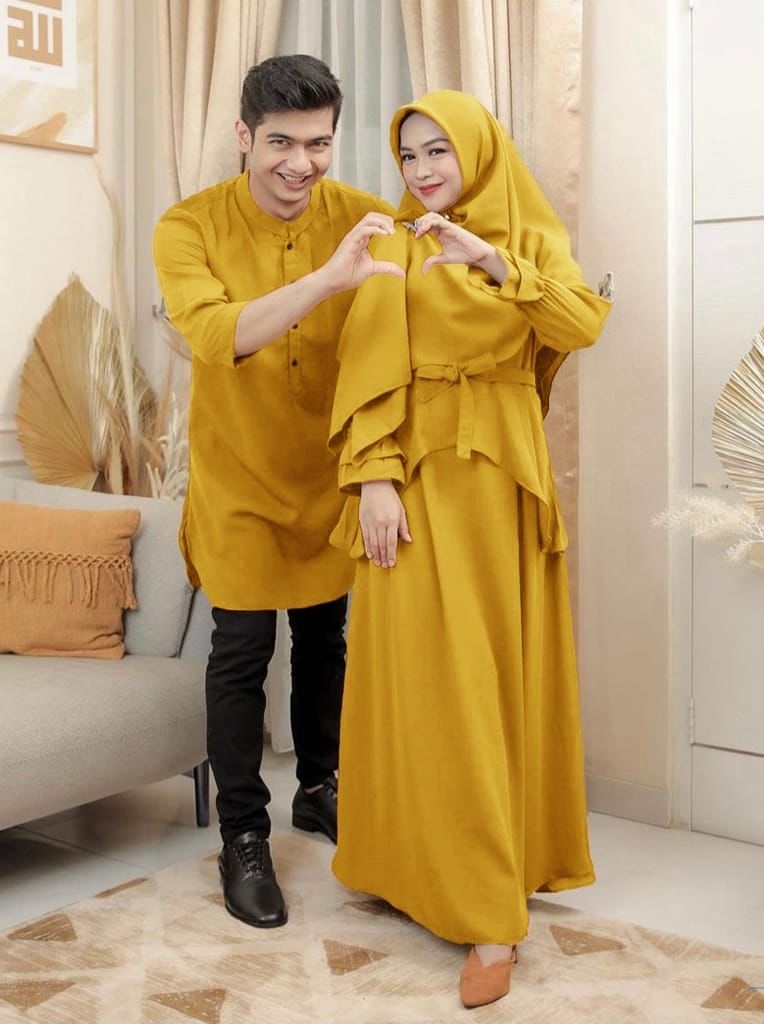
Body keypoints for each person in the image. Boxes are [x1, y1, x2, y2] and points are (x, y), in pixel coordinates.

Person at [328, 89, 612, 1009]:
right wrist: (374, 476)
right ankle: (408, 866)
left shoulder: (526, 237)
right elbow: (367, 361)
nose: (420, 171)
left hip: (501, 485)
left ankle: (495, 906)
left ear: (479, 151)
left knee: (490, 683)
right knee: (418, 678)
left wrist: (492, 263)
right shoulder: (392, 244)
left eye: (437, 151)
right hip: (415, 483)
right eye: (408, 155)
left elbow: (582, 324)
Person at [152, 55, 403, 931]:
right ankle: (244, 836)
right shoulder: (188, 226)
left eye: (319, 143)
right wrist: (328, 280)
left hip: (328, 474)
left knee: (327, 639)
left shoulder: (364, 215)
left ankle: (321, 788)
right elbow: (219, 334)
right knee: (242, 651)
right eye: (282, 143)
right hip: (239, 478)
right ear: (244, 137)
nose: (302, 164)